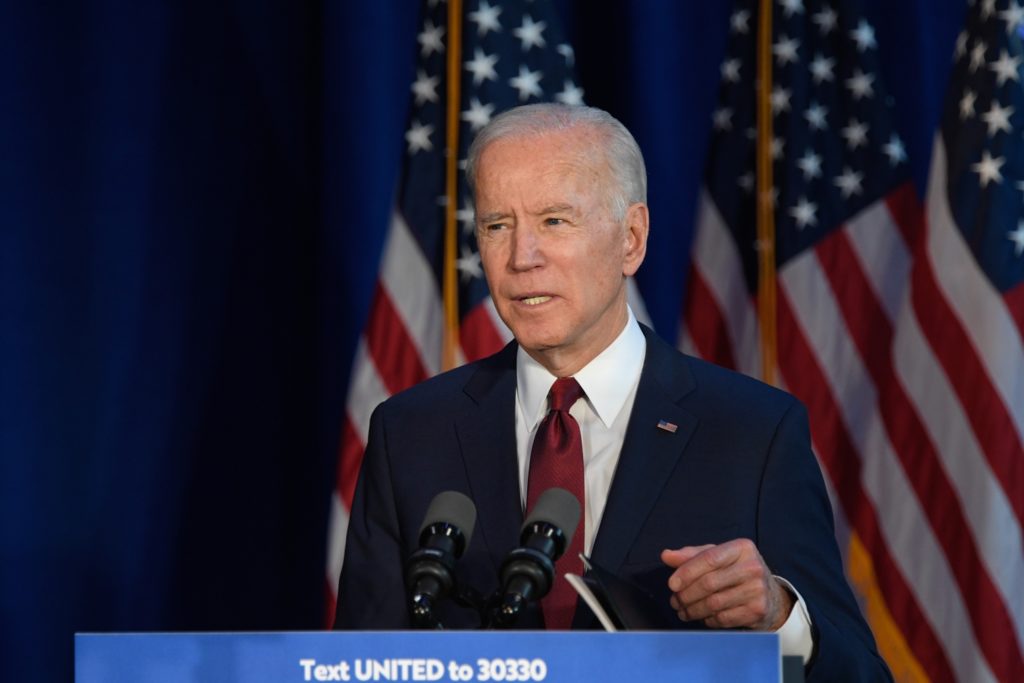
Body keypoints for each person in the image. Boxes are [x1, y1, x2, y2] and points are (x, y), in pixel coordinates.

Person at [335, 103, 892, 681]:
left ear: (631, 238)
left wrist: (778, 617)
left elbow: (860, 674)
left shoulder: (754, 434)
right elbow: (354, 665)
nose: (521, 258)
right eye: (497, 225)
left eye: (554, 221)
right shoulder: (411, 433)